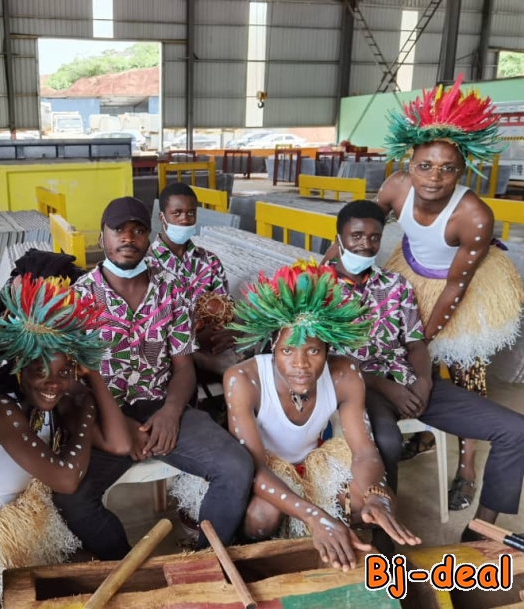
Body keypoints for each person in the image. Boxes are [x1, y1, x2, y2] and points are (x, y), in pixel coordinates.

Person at [323, 75, 524, 510]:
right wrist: (324, 270)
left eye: (448, 168)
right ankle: (384, 530)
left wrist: (422, 375)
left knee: (469, 370)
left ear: (463, 169)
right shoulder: (393, 191)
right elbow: (358, 225)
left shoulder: (472, 216)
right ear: (408, 164)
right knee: (387, 435)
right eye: (425, 166)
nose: (434, 178)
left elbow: (453, 287)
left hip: (459, 282)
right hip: (410, 278)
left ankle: (474, 493)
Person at [52, 196, 255, 559]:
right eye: (118, 230)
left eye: (138, 230)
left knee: (235, 466)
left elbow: (183, 367)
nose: (128, 238)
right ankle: (128, 569)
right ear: (102, 238)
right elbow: (68, 384)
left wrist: (171, 413)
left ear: (150, 238)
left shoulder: (171, 289)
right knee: (72, 498)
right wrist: (115, 424)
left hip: (162, 405)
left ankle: (206, 561)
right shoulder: (76, 299)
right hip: (104, 415)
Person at [331, 200, 524, 547]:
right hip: (358, 389)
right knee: (386, 441)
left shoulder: (395, 285)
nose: (365, 244)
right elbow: (325, 361)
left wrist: (422, 381)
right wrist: (386, 388)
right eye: (356, 235)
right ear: (339, 236)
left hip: (408, 382)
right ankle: (383, 539)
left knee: (515, 430)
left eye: (374, 237)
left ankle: (480, 532)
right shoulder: (316, 287)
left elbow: (417, 343)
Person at [220, 262, 420, 569]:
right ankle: (259, 569)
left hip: (313, 464)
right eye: (288, 351)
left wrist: (376, 495)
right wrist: (316, 516)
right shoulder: (242, 380)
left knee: (366, 502)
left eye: (312, 351)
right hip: (264, 470)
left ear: (327, 349)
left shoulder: (345, 373)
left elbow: (364, 450)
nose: (300, 363)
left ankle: (356, 562)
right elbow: (254, 468)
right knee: (262, 517)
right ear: (274, 346)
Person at [0, 275, 131, 607]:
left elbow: (119, 444)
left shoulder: (52, 397)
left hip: (35, 528)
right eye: (40, 371)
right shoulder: (1, 410)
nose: (52, 383)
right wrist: (85, 410)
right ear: (19, 367)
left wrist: (93, 378)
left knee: (103, 576)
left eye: (64, 372)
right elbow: (66, 479)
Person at [147, 182, 237, 374]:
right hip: (163, 351)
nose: (185, 219)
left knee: (245, 366)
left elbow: (224, 308)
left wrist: (223, 332)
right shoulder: (146, 264)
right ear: (162, 217)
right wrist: (192, 339)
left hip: (208, 346)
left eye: (190, 213)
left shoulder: (209, 262)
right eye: (177, 213)